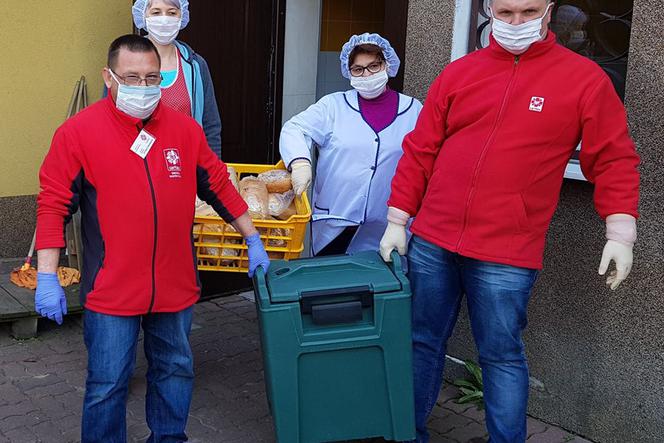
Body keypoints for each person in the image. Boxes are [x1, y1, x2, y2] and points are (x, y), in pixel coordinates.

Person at [379, 0, 640, 442]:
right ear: (490, 12)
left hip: (507, 251)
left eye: (528, 11)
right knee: (420, 344)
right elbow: (421, 148)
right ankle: (407, 434)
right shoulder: (460, 72)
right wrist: (397, 218)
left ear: (549, 10)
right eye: (505, 12)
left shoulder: (583, 79)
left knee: (501, 357)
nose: (516, 22)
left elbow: (613, 157)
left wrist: (620, 230)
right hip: (433, 239)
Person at [34, 35, 270, 442]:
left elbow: (218, 184)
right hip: (111, 290)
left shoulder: (185, 130)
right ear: (109, 77)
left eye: (150, 78)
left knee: (175, 370)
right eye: (131, 77)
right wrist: (47, 276)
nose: (142, 88)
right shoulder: (77, 133)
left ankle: (168, 438)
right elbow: (53, 206)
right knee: (108, 384)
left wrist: (253, 239)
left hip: (174, 286)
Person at [280, 33, 422, 256]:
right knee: (333, 284)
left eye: (374, 66)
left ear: (387, 65)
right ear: (349, 73)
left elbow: (424, 160)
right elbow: (294, 128)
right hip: (336, 223)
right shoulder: (333, 106)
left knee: (381, 286)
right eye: (358, 69)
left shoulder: (413, 110)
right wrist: (299, 162)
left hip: (389, 225)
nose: (366, 74)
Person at [132, 0, 223, 157]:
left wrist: (212, 171)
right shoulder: (127, 62)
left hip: (185, 164)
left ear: (182, 16)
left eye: (172, 13)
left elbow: (211, 125)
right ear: (143, 16)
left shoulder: (195, 65)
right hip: (138, 166)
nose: (164, 19)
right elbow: (109, 117)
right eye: (156, 12)